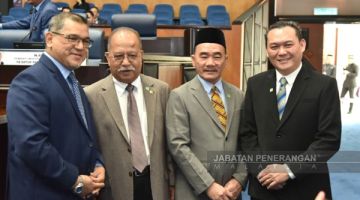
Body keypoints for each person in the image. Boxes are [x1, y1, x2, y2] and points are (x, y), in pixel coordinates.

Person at [6, 13, 105, 200]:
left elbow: (86, 137)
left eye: (85, 41)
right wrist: (74, 180)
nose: (80, 47)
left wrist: (97, 164)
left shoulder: (74, 83)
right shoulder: (30, 81)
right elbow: (31, 145)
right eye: (72, 38)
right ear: (49, 39)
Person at [239, 21, 341, 200]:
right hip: (264, 189)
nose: (281, 52)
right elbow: (247, 134)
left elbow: (328, 139)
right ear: (266, 50)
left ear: (302, 45)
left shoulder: (325, 85)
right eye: (274, 46)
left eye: (288, 44)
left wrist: (289, 170)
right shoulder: (255, 84)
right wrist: (263, 170)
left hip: (307, 188)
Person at [84, 27, 175, 200]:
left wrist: (172, 182)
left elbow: (169, 143)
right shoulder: (91, 95)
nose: (126, 62)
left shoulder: (161, 90)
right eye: (118, 56)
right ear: (107, 58)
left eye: (132, 55)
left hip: (155, 186)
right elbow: (89, 147)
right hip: (114, 188)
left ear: (141, 55)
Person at [166, 27, 247, 200]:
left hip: (231, 193)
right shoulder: (179, 96)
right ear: (193, 60)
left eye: (217, 56)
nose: (210, 63)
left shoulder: (238, 95)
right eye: (204, 56)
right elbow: (178, 147)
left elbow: (246, 141)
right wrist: (208, 185)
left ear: (226, 59)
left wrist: (239, 179)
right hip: (194, 191)